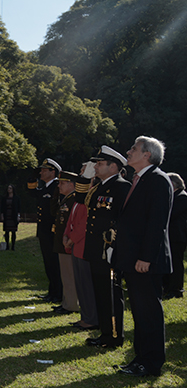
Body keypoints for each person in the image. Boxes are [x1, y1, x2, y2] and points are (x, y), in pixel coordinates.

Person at [113, 136, 172, 377]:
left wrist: (145, 258)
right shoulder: (139, 179)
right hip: (134, 259)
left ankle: (151, 363)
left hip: (146, 261)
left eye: (133, 149)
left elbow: (156, 224)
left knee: (148, 312)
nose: (128, 152)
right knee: (139, 311)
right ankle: (140, 358)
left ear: (147, 154)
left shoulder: (157, 180)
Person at [83, 146, 130, 349]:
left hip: (110, 250)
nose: (96, 167)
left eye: (100, 164)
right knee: (100, 292)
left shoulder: (122, 187)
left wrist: (115, 245)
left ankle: (114, 336)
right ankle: (104, 333)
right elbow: (81, 201)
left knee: (111, 293)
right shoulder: (99, 187)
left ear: (113, 167)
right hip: (96, 248)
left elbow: (124, 220)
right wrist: (85, 177)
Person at [63, 162, 98, 330]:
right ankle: (86, 316)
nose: (80, 174)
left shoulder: (91, 195)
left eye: (83, 171)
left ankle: (91, 318)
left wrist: (71, 239)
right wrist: (65, 235)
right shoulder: (80, 196)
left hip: (83, 244)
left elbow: (84, 223)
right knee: (80, 283)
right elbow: (72, 217)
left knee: (86, 284)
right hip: (76, 245)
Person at [28, 158, 62, 303]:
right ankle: (51, 292)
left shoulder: (57, 187)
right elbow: (32, 192)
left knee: (54, 263)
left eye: (43, 170)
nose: (41, 172)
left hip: (52, 232)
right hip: (44, 232)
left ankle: (58, 294)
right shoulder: (45, 187)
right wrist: (32, 177)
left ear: (52, 172)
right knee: (48, 263)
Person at [52, 171, 80, 315]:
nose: (59, 186)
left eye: (62, 183)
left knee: (70, 275)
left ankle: (71, 304)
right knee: (65, 275)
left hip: (68, 244)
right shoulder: (67, 199)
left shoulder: (74, 199)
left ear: (71, 184)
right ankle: (67, 302)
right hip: (62, 243)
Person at [164, 172, 186, 299]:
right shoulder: (174, 196)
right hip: (171, 235)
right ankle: (168, 287)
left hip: (177, 236)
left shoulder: (182, 197)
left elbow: (171, 214)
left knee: (176, 263)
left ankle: (176, 289)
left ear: (173, 184)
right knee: (170, 262)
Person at [1, 184, 21, 250]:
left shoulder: (16, 198)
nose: (9, 189)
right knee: (7, 231)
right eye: (8, 188)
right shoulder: (4, 198)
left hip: (13, 215)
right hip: (7, 215)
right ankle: (7, 245)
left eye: (10, 188)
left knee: (13, 231)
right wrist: (2, 215)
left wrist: (18, 215)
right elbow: (2, 207)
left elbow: (18, 207)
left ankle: (13, 246)